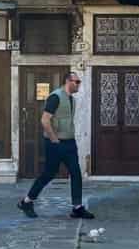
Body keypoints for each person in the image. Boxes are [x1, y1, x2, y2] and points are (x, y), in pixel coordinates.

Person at [17, 72, 92, 220]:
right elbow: (45, 120)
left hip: (69, 142)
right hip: (55, 143)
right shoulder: (55, 97)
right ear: (68, 81)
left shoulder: (72, 100)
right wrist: (54, 139)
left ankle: (77, 208)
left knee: (76, 173)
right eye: (76, 82)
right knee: (49, 174)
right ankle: (27, 201)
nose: (78, 84)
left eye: (79, 82)